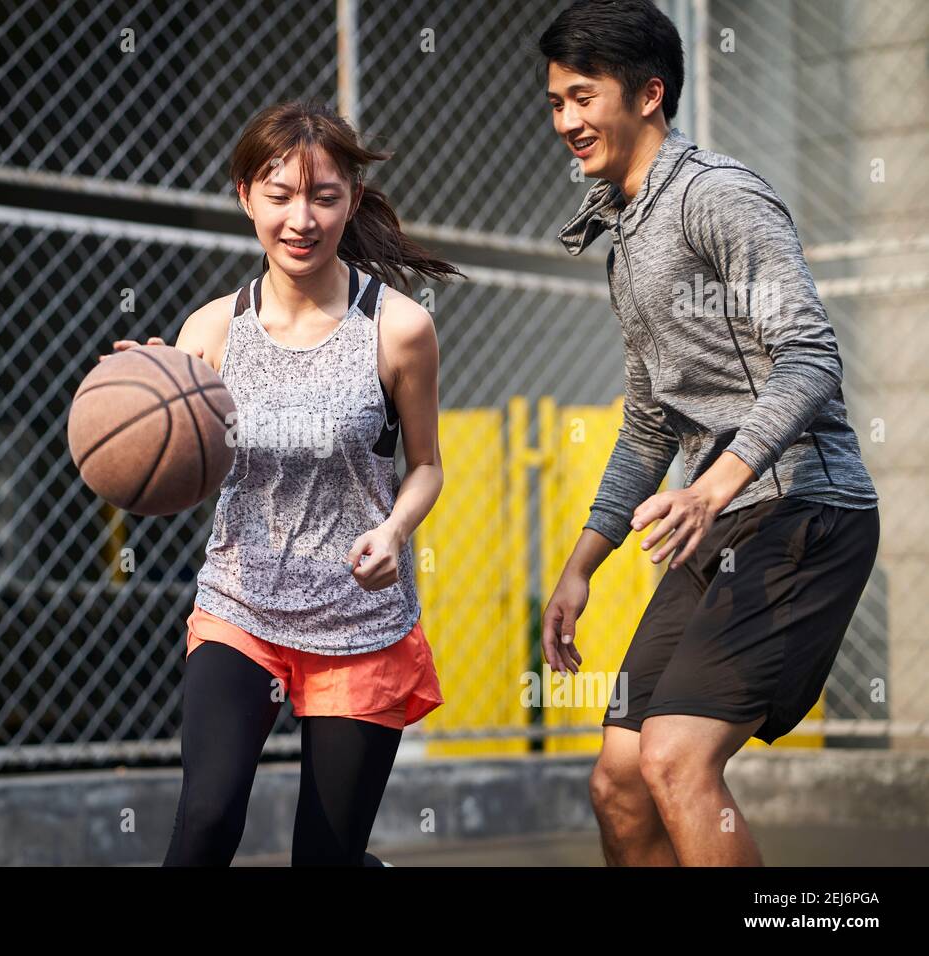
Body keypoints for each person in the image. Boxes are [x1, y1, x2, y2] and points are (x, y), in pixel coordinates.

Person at [536, 0, 880, 866]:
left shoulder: (717, 197)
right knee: (618, 778)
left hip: (806, 509)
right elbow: (649, 424)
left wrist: (714, 482)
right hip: (724, 520)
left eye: (584, 97)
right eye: (555, 102)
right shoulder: (625, 238)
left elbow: (809, 356)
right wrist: (582, 564)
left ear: (649, 94)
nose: (568, 121)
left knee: (675, 757)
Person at [104, 99, 461, 866]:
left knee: (323, 860)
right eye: (280, 195)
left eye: (324, 196)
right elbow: (176, 452)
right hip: (242, 607)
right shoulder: (211, 330)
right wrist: (148, 392)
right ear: (245, 197)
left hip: (358, 622)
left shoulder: (397, 329)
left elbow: (427, 465)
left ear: (351, 203)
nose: (302, 218)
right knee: (204, 821)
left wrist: (394, 532)